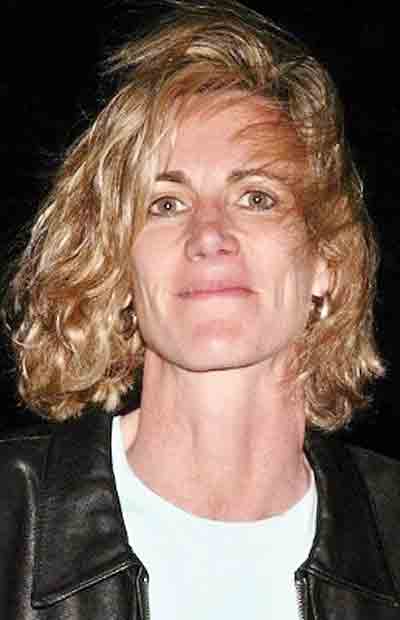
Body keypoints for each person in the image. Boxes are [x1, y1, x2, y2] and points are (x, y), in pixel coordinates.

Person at [1, 1, 399, 618]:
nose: (209, 234)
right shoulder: (11, 517)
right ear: (118, 264)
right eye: (166, 204)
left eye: (257, 197)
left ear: (327, 259)